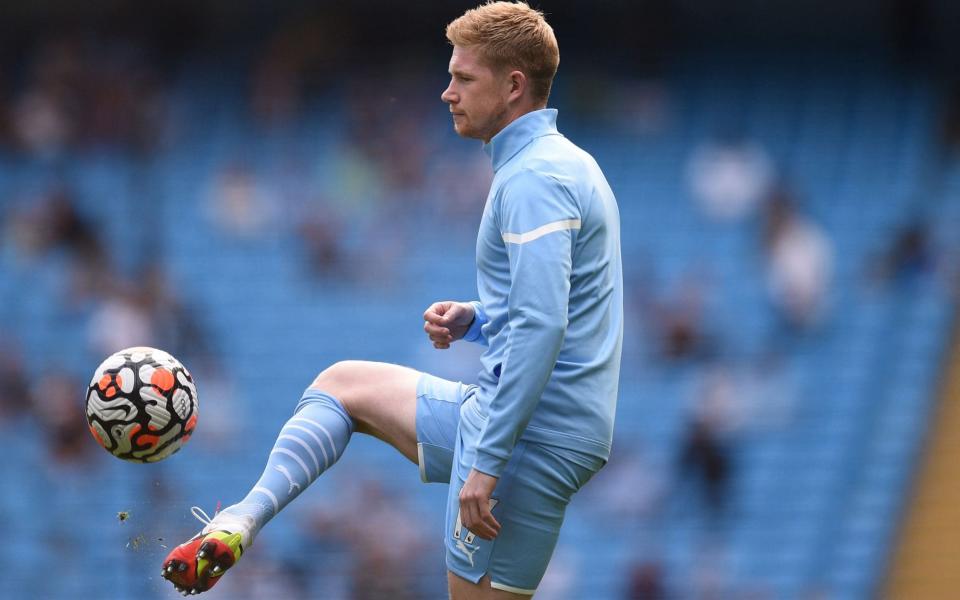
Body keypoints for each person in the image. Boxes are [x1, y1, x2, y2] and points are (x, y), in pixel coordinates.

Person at [161, 2, 623, 597]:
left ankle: (243, 521)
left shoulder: (535, 178)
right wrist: (477, 319)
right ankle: (241, 519)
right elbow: (561, 306)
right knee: (343, 385)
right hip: (538, 424)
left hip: (523, 436)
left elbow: (544, 325)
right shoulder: (565, 164)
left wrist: (486, 462)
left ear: (513, 87)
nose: (446, 92)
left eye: (463, 78)